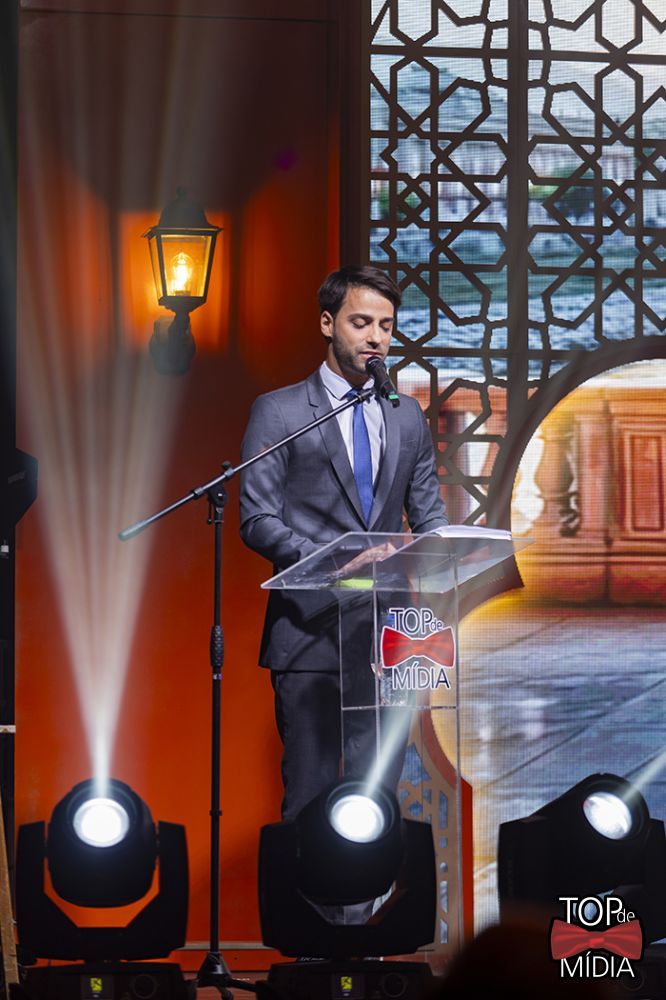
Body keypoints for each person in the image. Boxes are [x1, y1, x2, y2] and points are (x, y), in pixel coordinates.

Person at [240, 265, 447, 822]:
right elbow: (257, 518)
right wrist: (337, 561)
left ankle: (374, 886)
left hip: (388, 642)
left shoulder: (406, 416)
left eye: (386, 325)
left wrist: (448, 548)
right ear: (328, 324)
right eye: (361, 323)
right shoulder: (280, 411)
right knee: (309, 804)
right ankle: (304, 886)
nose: (376, 337)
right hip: (309, 635)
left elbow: (428, 518)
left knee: (376, 807)